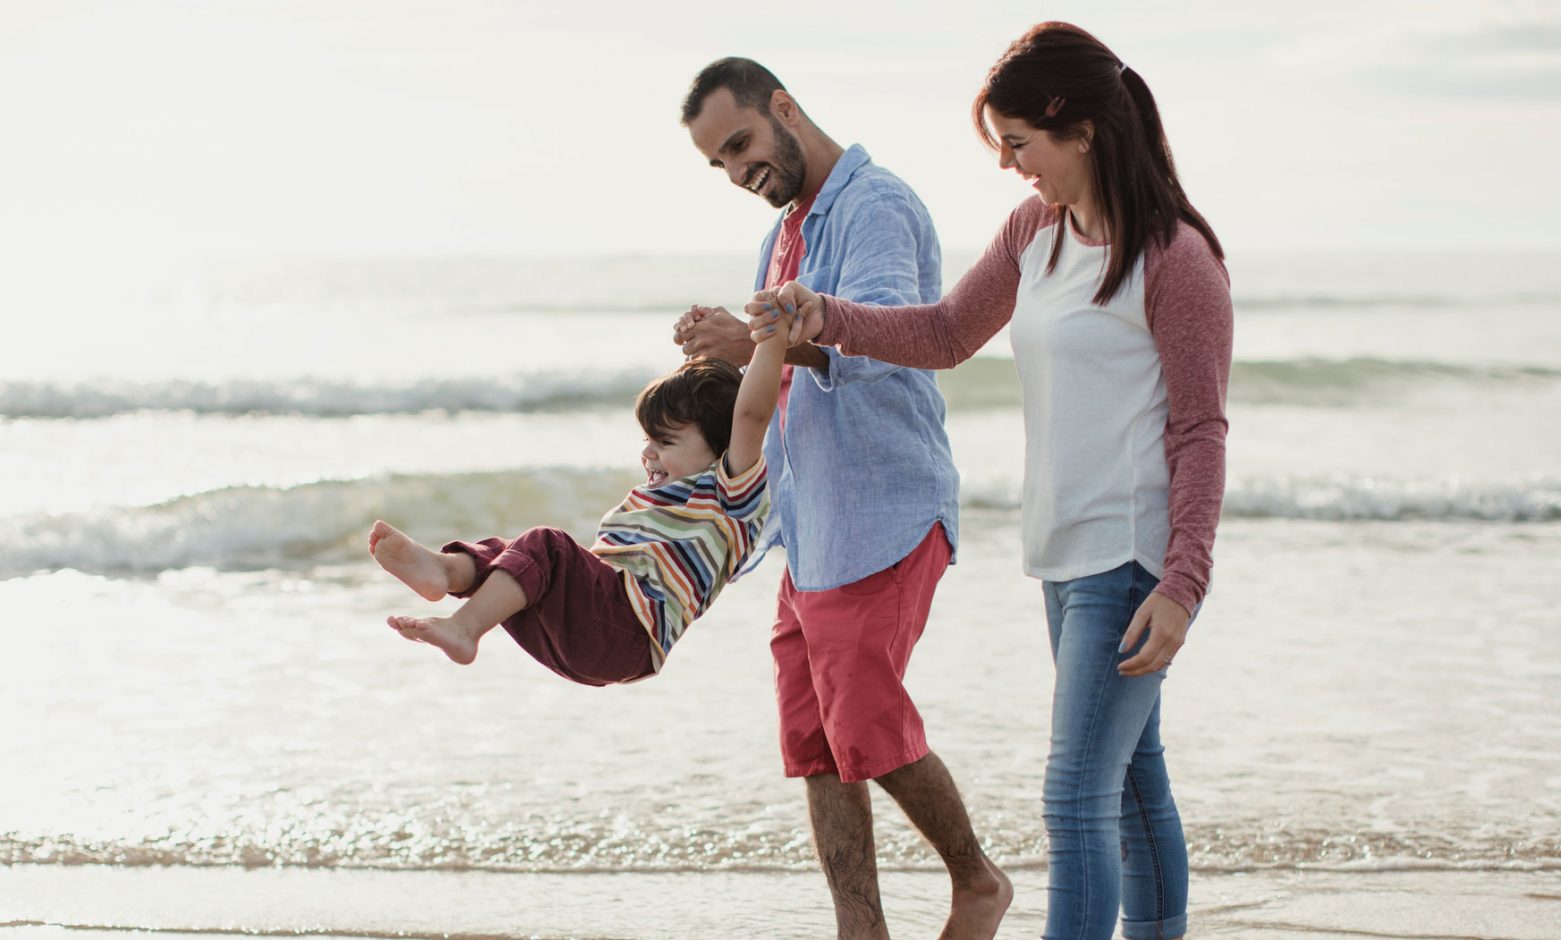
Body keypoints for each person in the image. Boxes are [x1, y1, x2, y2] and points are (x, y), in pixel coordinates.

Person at [749, 22, 1232, 940]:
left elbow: (1200, 430)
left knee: (1074, 796)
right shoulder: (1034, 232)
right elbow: (942, 336)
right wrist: (825, 315)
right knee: (1134, 778)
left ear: (1080, 129)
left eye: (1019, 144)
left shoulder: (1176, 259)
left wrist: (1183, 583)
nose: (1011, 168)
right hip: (1059, 550)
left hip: (1131, 559)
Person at [675, 57, 1010, 940]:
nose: (740, 172)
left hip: (885, 510)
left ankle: (976, 882)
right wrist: (725, 353)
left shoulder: (875, 206)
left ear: (784, 107)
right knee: (816, 745)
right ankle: (858, 930)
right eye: (720, 163)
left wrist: (773, 341)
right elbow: (778, 368)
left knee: (861, 720)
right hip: (811, 524)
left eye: (742, 144)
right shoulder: (783, 231)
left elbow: (885, 338)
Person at [367, 308, 791, 683]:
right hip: (593, 637)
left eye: (664, 443)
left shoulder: (730, 492)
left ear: (723, 445)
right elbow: (706, 400)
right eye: (647, 439)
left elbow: (749, 413)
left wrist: (770, 338)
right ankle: (444, 571)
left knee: (546, 547)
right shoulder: (677, 490)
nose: (648, 453)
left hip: (625, 631)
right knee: (510, 555)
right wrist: (702, 345)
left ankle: (464, 629)